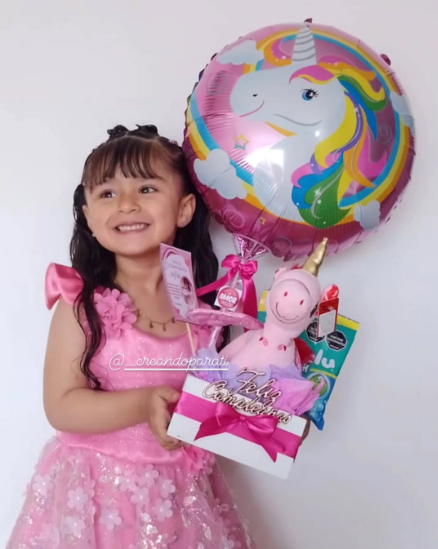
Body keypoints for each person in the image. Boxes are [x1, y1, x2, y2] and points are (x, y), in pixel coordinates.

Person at [6, 124, 257, 549]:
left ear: (184, 209)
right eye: (107, 193)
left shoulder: (204, 316)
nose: (126, 204)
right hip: (97, 501)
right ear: (88, 215)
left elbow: (221, 405)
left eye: (146, 189)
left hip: (180, 502)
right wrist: (143, 404)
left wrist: (274, 420)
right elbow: (61, 406)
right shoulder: (81, 304)